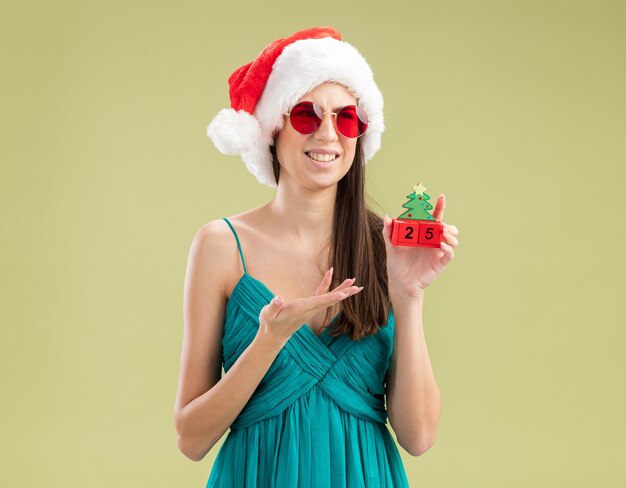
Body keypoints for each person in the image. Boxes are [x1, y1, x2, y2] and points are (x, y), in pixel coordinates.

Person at [174, 26, 460, 487]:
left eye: (346, 118)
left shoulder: (385, 246)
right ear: (274, 129)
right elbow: (191, 438)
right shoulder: (220, 246)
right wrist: (267, 342)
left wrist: (408, 294)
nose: (328, 133)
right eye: (308, 115)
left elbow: (419, 435)